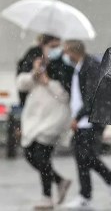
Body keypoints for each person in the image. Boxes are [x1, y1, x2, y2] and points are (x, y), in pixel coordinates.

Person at [63, 40, 111, 209]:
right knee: (81, 157)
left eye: (66, 51)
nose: (65, 55)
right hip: (82, 122)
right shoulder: (79, 66)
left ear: (73, 51)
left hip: (90, 121)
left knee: (87, 156)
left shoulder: (91, 66)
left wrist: (77, 116)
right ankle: (85, 196)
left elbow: (91, 97)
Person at [16, 34, 73, 210]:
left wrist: (47, 81)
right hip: (34, 118)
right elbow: (21, 84)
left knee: (41, 155)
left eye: (58, 46)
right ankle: (60, 181)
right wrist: (35, 73)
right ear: (44, 46)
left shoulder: (64, 66)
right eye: (52, 46)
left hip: (54, 118)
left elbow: (65, 95)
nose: (55, 50)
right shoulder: (34, 61)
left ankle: (46, 196)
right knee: (29, 154)